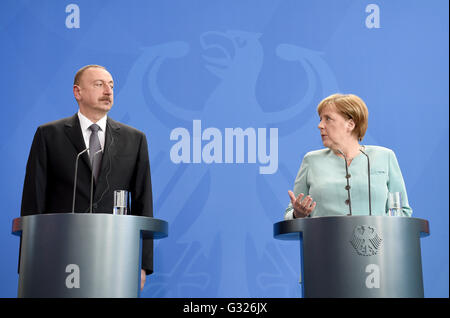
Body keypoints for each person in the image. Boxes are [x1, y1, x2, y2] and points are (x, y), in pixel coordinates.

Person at [20, 65, 153, 291]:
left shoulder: (134, 139)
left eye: (111, 86)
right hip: (59, 255)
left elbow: (144, 204)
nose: (108, 91)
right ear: (77, 92)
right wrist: (28, 261)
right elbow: (33, 201)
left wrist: (143, 265)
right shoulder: (49, 135)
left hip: (114, 256)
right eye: (99, 84)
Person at [285, 93, 412, 219]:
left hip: (376, 239)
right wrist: (298, 214)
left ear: (350, 124)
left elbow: (403, 212)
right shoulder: (311, 160)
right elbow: (290, 214)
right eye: (320, 119)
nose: (320, 125)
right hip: (324, 238)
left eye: (328, 119)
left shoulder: (385, 156)